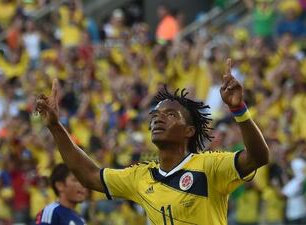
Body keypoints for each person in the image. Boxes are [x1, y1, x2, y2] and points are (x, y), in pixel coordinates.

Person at [35, 59, 269, 225]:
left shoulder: (210, 167)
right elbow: (88, 175)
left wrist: (238, 109)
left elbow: (259, 157)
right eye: (155, 116)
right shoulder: (140, 177)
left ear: (189, 131)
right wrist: (56, 127)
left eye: (170, 115)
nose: (158, 119)